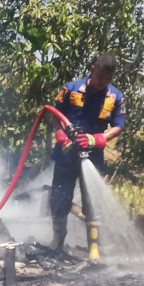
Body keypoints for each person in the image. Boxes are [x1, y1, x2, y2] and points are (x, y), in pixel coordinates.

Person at [49, 53, 126, 250]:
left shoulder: (115, 97)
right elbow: (54, 115)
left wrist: (98, 138)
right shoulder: (71, 89)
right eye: (100, 77)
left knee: (91, 201)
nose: (103, 82)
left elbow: (118, 125)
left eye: (108, 79)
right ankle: (58, 240)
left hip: (93, 154)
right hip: (66, 152)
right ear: (93, 69)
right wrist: (61, 136)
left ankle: (93, 247)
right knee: (60, 197)